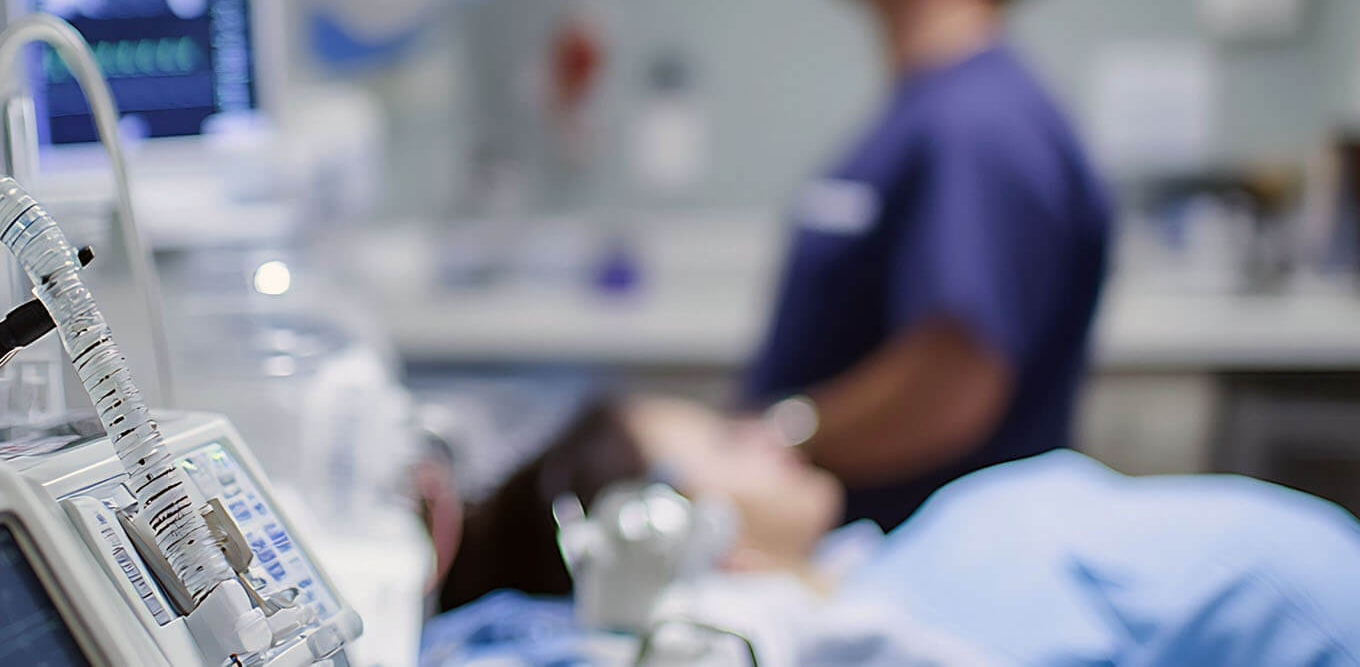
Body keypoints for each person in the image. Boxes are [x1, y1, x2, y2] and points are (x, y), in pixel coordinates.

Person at [741, 0, 1112, 529]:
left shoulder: (981, 125)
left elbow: (952, 378)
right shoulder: (930, 111)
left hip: (917, 566)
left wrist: (782, 439)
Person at [431, 397, 1360, 666]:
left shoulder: (885, 565)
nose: (766, 430)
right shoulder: (874, 634)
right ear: (676, 535)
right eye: (723, 440)